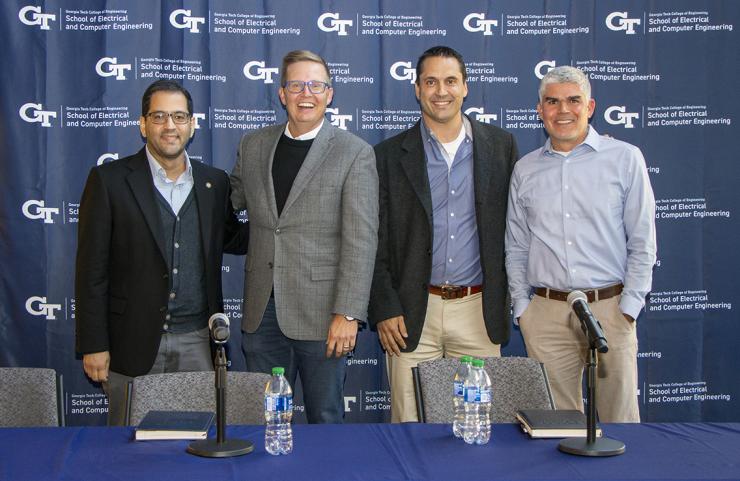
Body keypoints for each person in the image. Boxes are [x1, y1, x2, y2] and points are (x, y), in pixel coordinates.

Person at [75, 80, 247, 426]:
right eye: (159, 116)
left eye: (179, 116)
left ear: (192, 124)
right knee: (127, 451)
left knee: (197, 444)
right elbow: (91, 270)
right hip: (131, 344)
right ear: (143, 124)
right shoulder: (109, 181)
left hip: (199, 342)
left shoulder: (214, 184)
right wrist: (94, 344)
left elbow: (234, 238)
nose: (170, 126)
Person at [368, 46, 519, 422]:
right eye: (431, 81)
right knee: (408, 427)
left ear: (465, 87)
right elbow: (373, 239)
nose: (441, 91)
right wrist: (385, 306)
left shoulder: (501, 147)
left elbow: (517, 231)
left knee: (481, 425)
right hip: (410, 314)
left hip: (478, 312)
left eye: (450, 81)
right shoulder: (387, 155)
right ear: (417, 89)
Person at [229, 50, 378, 424]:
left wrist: (347, 313)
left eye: (315, 85)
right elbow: (226, 200)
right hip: (261, 311)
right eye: (296, 85)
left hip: (323, 314)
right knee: (261, 419)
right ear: (282, 94)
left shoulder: (354, 153)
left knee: (325, 418)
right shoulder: (254, 145)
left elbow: (361, 240)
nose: (305, 93)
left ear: (329, 94)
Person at [505, 66, 657, 422]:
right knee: (555, 430)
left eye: (573, 100)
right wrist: (523, 309)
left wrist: (629, 306)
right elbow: (516, 246)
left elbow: (643, 241)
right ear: (539, 110)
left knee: (620, 425)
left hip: (610, 310)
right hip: (546, 314)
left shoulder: (625, 158)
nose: (563, 110)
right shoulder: (525, 169)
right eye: (552, 102)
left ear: (590, 106)